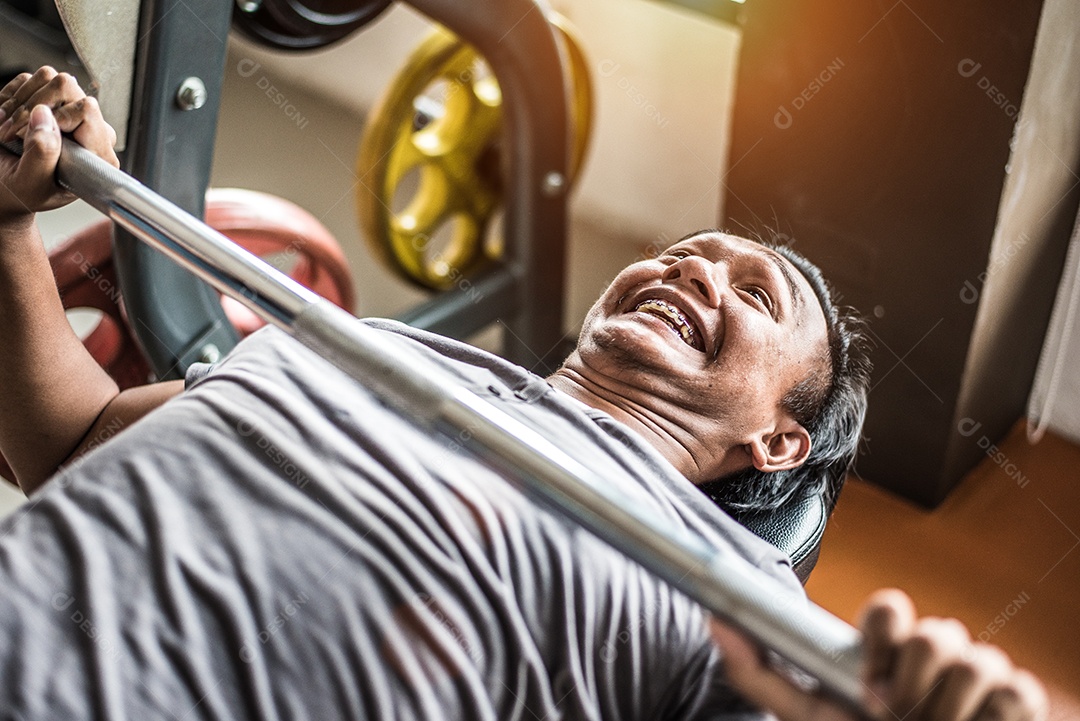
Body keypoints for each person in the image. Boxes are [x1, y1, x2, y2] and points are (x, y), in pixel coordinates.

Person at [0, 67, 1047, 721]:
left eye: (753, 292)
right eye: (686, 253)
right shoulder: (355, 347)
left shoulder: (743, 600)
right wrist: (9, 227)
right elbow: (76, 437)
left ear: (779, 441)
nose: (694, 270)